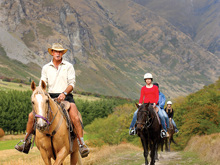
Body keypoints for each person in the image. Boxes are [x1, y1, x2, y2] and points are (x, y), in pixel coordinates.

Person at [15, 43, 89, 157]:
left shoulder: (68, 66)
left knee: (75, 117)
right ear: (52, 53)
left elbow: (72, 83)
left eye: (60, 52)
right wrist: (40, 93)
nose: (58, 53)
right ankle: (26, 141)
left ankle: (81, 144)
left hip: (67, 97)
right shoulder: (46, 68)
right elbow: (43, 84)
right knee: (31, 116)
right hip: (50, 97)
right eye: (56, 51)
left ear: (62, 53)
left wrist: (64, 93)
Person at [129, 73, 169, 137]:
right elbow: (141, 97)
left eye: (149, 79)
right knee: (135, 113)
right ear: (145, 80)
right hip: (145, 104)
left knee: (161, 116)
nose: (148, 80)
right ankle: (132, 129)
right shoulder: (143, 88)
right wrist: (140, 103)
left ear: (151, 80)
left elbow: (156, 96)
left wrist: (155, 103)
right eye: (146, 79)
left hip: (154, 104)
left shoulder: (155, 87)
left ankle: (163, 130)